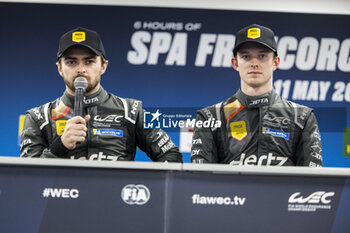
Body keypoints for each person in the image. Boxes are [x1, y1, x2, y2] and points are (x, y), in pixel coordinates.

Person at [20, 27, 182, 162]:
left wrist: (141, 189)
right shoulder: (38, 117)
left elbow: (171, 155)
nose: (81, 69)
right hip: (62, 199)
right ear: (60, 68)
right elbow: (28, 177)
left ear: (103, 66)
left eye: (89, 61)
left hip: (116, 199)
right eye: (71, 62)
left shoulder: (133, 111)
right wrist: (60, 146)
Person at [191, 24, 322, 166]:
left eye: (262, 56)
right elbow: (201, 181)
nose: (254, 63)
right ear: (235, 63)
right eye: (246, 56)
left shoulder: (301, 117)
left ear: (275, 62)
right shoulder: (211, 117)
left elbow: (311, 182)